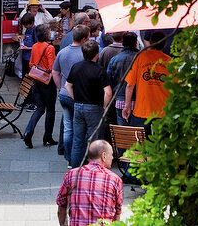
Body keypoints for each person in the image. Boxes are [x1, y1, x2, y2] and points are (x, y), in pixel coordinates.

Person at [64, 38, 112, 169]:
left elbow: (68, 86)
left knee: (78, 140)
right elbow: (108, 92)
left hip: (79, 106)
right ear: (97, 54)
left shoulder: (76, 67)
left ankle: (75, 168)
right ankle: (93, 169)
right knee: (95, 141)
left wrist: (76, 98)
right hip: (94, 107)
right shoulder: (100, 70)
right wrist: (104, 105)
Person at [55, 139, 123, 226]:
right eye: (112, 155)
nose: (113, 158)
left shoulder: (71, 175)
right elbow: (117, 213)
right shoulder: (115, 179)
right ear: (104, 156)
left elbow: (61, 207)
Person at [122, 31, 172, 130]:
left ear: (150, 42)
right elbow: (175, 88)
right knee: (162, 144)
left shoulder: (140, 57)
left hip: (142, 110)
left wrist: (127, 106)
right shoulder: (170, 62)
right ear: (164, 44)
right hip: (163, 110)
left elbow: (129, 85)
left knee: (140, 143)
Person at [53, 23, 89, 162]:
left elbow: (55, 72)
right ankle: (77, 158)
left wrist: (60, 87)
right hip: (79, 95)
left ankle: (68, 157)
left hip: (64, 93)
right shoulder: (84, 55)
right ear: (84, 39)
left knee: (68, 128)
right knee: (80, 129)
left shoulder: (62, 52)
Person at [23, 27, 58, 148]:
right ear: (47, 35)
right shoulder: (50, 48)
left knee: (39, 108)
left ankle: (28, 131)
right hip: (47, 82)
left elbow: (31, 64)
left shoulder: (34, 46)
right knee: (50, 110)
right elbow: (51, 67)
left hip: (36, 80)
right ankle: (47, 136)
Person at [106, 32, 140, 125]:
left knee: (123, 132)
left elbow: (109, 80)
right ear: (135, 43)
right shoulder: (140, 58)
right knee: (138, 132)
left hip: (120, 98)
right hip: (139, 99)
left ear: (123, 43)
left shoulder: (115, 59)